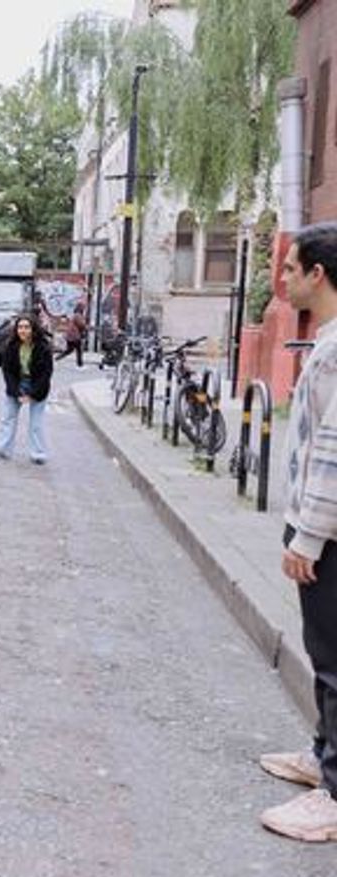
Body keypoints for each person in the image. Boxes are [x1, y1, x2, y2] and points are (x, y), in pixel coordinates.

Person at [258, 222, 337, 842]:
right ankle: (322, 758)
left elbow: (335, 452)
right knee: (322, 652)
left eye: (290, 268)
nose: (282, 279)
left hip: (328, 536)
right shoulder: (329, 340)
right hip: (319, 528)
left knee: (335, 660)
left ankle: (334, 793)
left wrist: (307, 536)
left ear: (318, 274)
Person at [0, 314, 53, 465]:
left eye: (26, 327)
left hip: (38, 385)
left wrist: (32, 394)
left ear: (33, 329)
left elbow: (46, 374)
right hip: (17, 383)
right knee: (8, 418)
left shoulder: (43, 347)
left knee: (36, 423)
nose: (23, 330)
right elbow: (7, 371)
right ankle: (1, 449)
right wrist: (16, 392)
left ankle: (38, 454)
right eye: (20, 327)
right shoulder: (11, 346)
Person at [56, 302, 88, 367]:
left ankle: (57, 358)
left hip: (70, 335)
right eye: (83, 308)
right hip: (75, 336)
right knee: (79, 349)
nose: (83, 310)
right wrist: (86, 326)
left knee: (69, 350)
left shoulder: (75, 315)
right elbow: (81, 324)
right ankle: (80, 364)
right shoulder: (78, 315)